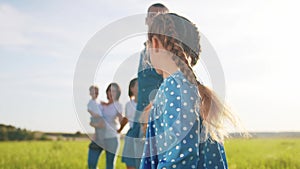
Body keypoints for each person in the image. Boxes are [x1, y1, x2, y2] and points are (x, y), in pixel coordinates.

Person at [139, 13, 238, 169]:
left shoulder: (176, 86)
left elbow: (181, 157)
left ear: (156, 43)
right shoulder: (186, 87)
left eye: (148, 44)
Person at [125, 3, 169, 169]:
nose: (156, 19)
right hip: (139, 118)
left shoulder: (169, 49)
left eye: (161, 16)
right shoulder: (145, 49)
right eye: (152, 16)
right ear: (146, 20)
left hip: (156, 120)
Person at [88, 83, 126, 169]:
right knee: (91, 164)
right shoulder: (100, 104)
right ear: (107, 92)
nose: (111, 93)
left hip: (112, 138)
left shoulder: (118, 105)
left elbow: (121, 119)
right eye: (109, 90)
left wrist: (121, 127)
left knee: (109, 165)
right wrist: (96, 125)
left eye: (114, 91)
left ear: (118, 93)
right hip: (98, 138)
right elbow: (92, 121)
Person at [121, 78, 138, 169]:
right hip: (131, 133)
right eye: (138, 85)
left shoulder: (145, 103)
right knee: (130, 162)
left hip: (142, 133)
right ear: (132, 88)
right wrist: (120, 129)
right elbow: (126, 119)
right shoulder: (128, 104)